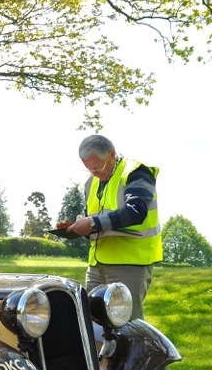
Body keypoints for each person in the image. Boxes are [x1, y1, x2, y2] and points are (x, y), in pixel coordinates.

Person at [66, 134, 162, 320]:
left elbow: (136, 211)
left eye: (98, 167)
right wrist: (82, 224)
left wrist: (92, 223)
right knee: (92, 322)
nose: (94, 173)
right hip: (97, 264)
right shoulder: (91, 181)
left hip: (130, 263)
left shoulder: (136, 172)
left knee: (126, 323)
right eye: (89, 168)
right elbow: (93, 215)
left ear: (112, 154)